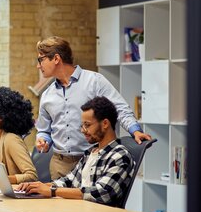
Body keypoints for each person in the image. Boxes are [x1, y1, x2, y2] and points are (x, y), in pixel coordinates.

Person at [34, 36, 151, 180]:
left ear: (56, 58)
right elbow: (44, 130)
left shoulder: (94, 81)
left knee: (92, 200)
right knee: (59, 201)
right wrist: (42, 139)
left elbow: (119, 108)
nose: (38, 66)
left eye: (41, 60)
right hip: (60, 165)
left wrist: (135, 130)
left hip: (94, 160)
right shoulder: (47, 95)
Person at [17, 96, 135, 207]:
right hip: (80, 211)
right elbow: (68, 180)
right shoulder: (90, 153)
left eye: (87, 125)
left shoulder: (120, 155)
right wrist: (37, 186)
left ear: (105, 123)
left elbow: (102, 193)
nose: (83, 131)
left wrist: (52, 191)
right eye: (82, 125)